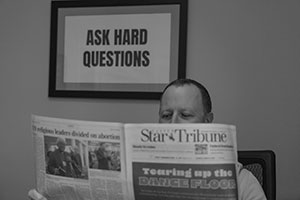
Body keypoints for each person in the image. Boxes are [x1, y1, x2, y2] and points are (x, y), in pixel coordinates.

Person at [159, 78, 267, 200]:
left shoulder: (241, 181)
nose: (173, 125)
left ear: (207, 121)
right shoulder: (134, 176)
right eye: (166, 115)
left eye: (185, 115)